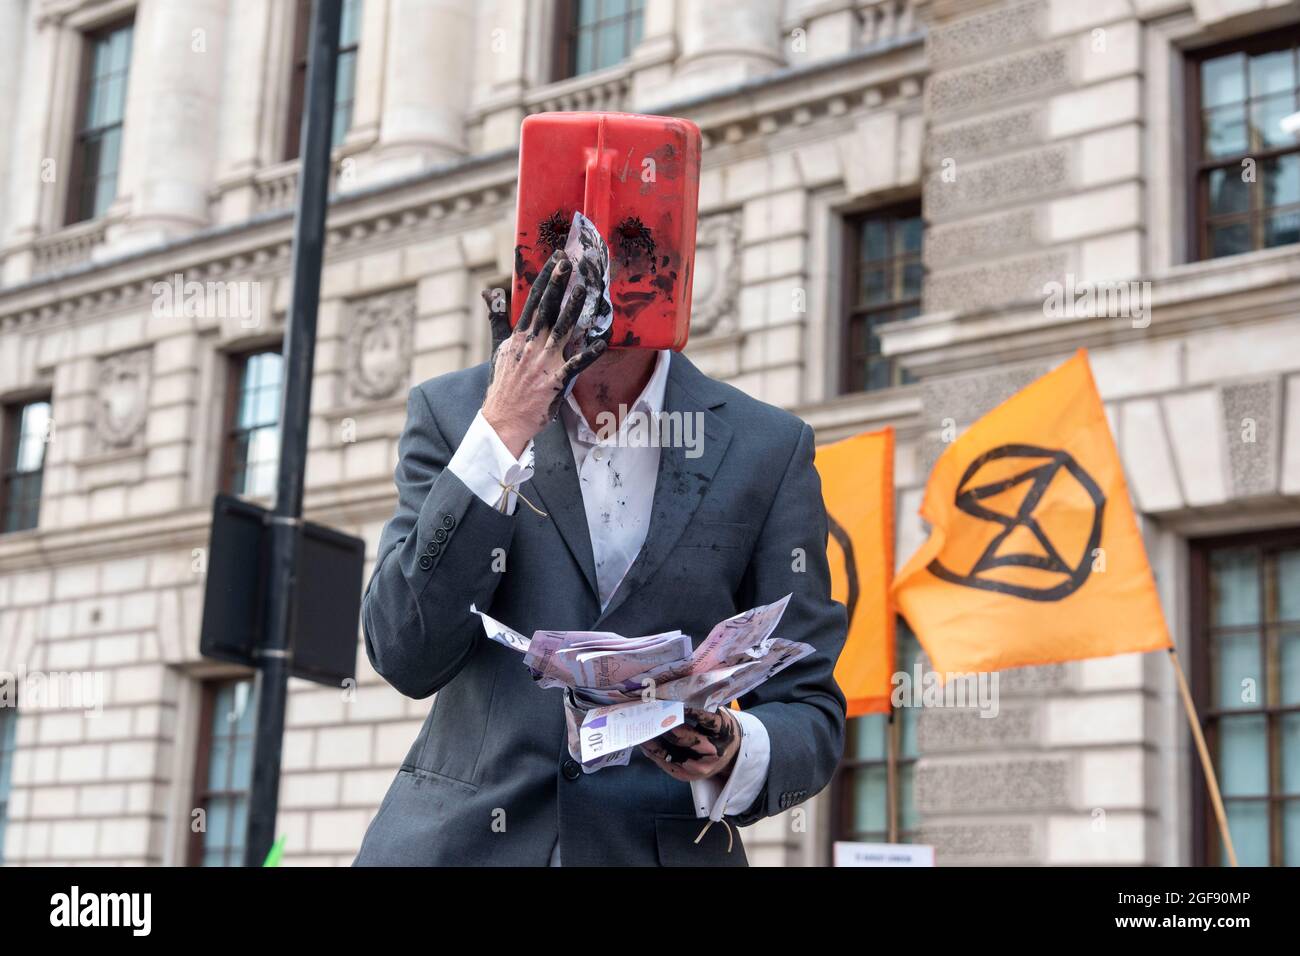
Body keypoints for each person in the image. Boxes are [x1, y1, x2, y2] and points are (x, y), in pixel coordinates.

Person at [353, 251, 847, 866]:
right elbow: (404, 651)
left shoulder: (768, 448)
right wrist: (499, 434)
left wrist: (733, 745)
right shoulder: (455, 415)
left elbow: (810, 708)